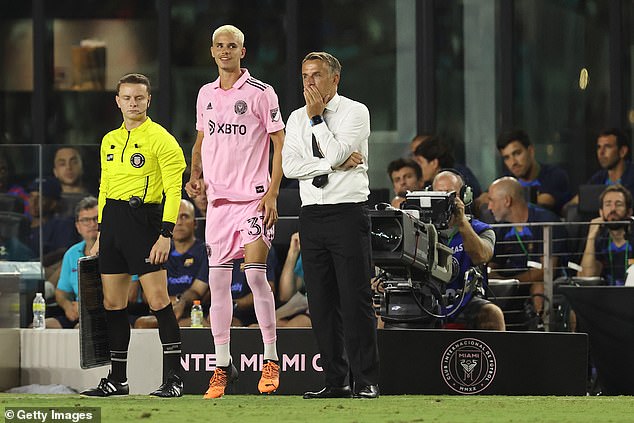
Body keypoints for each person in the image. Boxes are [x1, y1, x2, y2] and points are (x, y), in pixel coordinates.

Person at [184, 25, 285, 399]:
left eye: (233, 46)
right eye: (220, 46)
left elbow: (280, 143)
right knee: (218, 285)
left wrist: (273, 193)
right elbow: (200, 140)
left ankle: (270, 358)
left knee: (257, 276)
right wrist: (194, 176)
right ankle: (221, 365)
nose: (226, 51)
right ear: (212, 51)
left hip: (254, 200)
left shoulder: (261, 93)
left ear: (244, 51)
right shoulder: (205, 93)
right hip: (219, 206)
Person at [81, 73, 186, 398]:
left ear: (148, 100)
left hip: (145, 221)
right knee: (113, 303)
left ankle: (174, 379)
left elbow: (173, 189)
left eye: (139, 98)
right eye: (127, 98)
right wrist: (100, 231)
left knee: (158, 300)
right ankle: (118, 379)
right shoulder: (109, 140)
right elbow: (103, 188)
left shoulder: (162, 139)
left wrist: (165, 233)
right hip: (113, 223)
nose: (133, 103)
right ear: (118, 101)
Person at [282, 51, 380, 399]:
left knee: (355, 300)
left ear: (335, 79)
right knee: (321, 303)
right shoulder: (293, 118)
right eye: (305, 75)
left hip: (347, 213)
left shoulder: (356, 111)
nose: (309, 82)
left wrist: (317, 120)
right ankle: (336, 381)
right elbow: (290, 168)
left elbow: (338, 152)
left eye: (317, 75)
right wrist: (332, 165)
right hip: (311, 215)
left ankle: (365, 380)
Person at [431, 170, 505, 330]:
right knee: (386, 311)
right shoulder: (421, 228)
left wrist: (462, 221)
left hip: (466, 301)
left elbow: (482, 256)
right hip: (427, 299)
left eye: (451, 194)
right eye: (439, 194)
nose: (445, 200)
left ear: (465, 196)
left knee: (492, 314)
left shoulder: (482, 230)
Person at [486, 177, 567, 321]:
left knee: (539, 287)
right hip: (511, 284)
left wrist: (511, 282)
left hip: (538, 282)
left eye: (492, 200)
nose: (489, 207)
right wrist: (494, 277)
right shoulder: (500, 227)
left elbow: (547, 270)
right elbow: (492, 264)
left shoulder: (545, 221)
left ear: (507, 201)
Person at [133, 199, 209, 328]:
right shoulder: (158, 251)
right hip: (164, 309)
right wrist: (171, 304)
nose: (179, 222)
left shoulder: (205, 251)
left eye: (184, 216)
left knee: (183, 324)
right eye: (174, 218)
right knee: (141, 323)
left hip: (194, 313)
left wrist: (181, 303)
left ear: (195, 223)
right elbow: (147, 293)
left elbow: (198, 291)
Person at [44, 196, 98, 329]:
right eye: (85, 220)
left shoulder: (116, 250)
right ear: (78, 226)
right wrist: (68, 306)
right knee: (43, 325)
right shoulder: (71, 253)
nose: (92, 224)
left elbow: (130, 295)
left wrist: (87, 308)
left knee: (81, 329)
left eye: (96, 218)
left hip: (108, 314)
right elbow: (61, 292)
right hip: (78, 313)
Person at [495, 129, 572, 215]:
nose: (513, 162)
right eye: (507, 158)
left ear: (530, 151)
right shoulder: (506, 179)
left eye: (517, 153)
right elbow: (486, 198)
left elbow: (547, 200)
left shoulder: (554, 175)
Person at [579, 184, 634, 285]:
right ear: (601, 212)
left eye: (619, 204)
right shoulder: (599, 241)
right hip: (605, 297)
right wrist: (591, 238)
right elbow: (586, 277)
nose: (613, 209)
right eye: (608, 204)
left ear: (629, 212)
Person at [566, 129, 634, 210]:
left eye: (607, 147)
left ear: (622, 151)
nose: (601, 152)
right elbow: (569, 206)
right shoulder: (598, 178)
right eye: (599, 147)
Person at [275, 232, 310, 327]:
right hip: (302, 306)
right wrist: (293, 252)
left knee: (298, 323)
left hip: (329, 310)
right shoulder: (309, 252)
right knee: (259, 327)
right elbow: (285, 295)